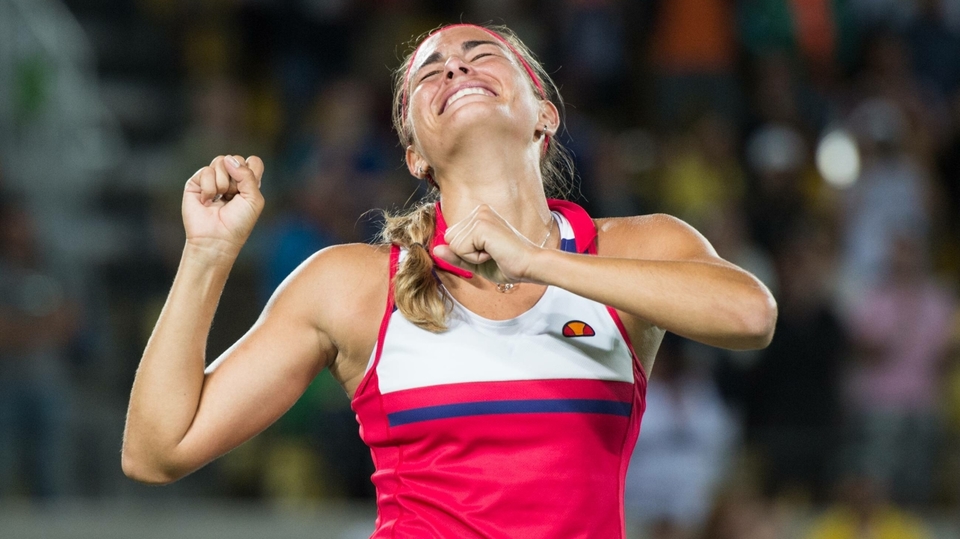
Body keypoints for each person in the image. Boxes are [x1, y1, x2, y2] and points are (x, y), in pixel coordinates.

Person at [121, 23, 777, 538]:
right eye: (429, 72)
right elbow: (156, 450)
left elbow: (751, 316)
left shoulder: (636, 247)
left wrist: (535, 260)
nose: (455, 69)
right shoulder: (351, 284)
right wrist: (207, 253)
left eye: (480, 55)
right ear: (415, 154)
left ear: (544, 116)